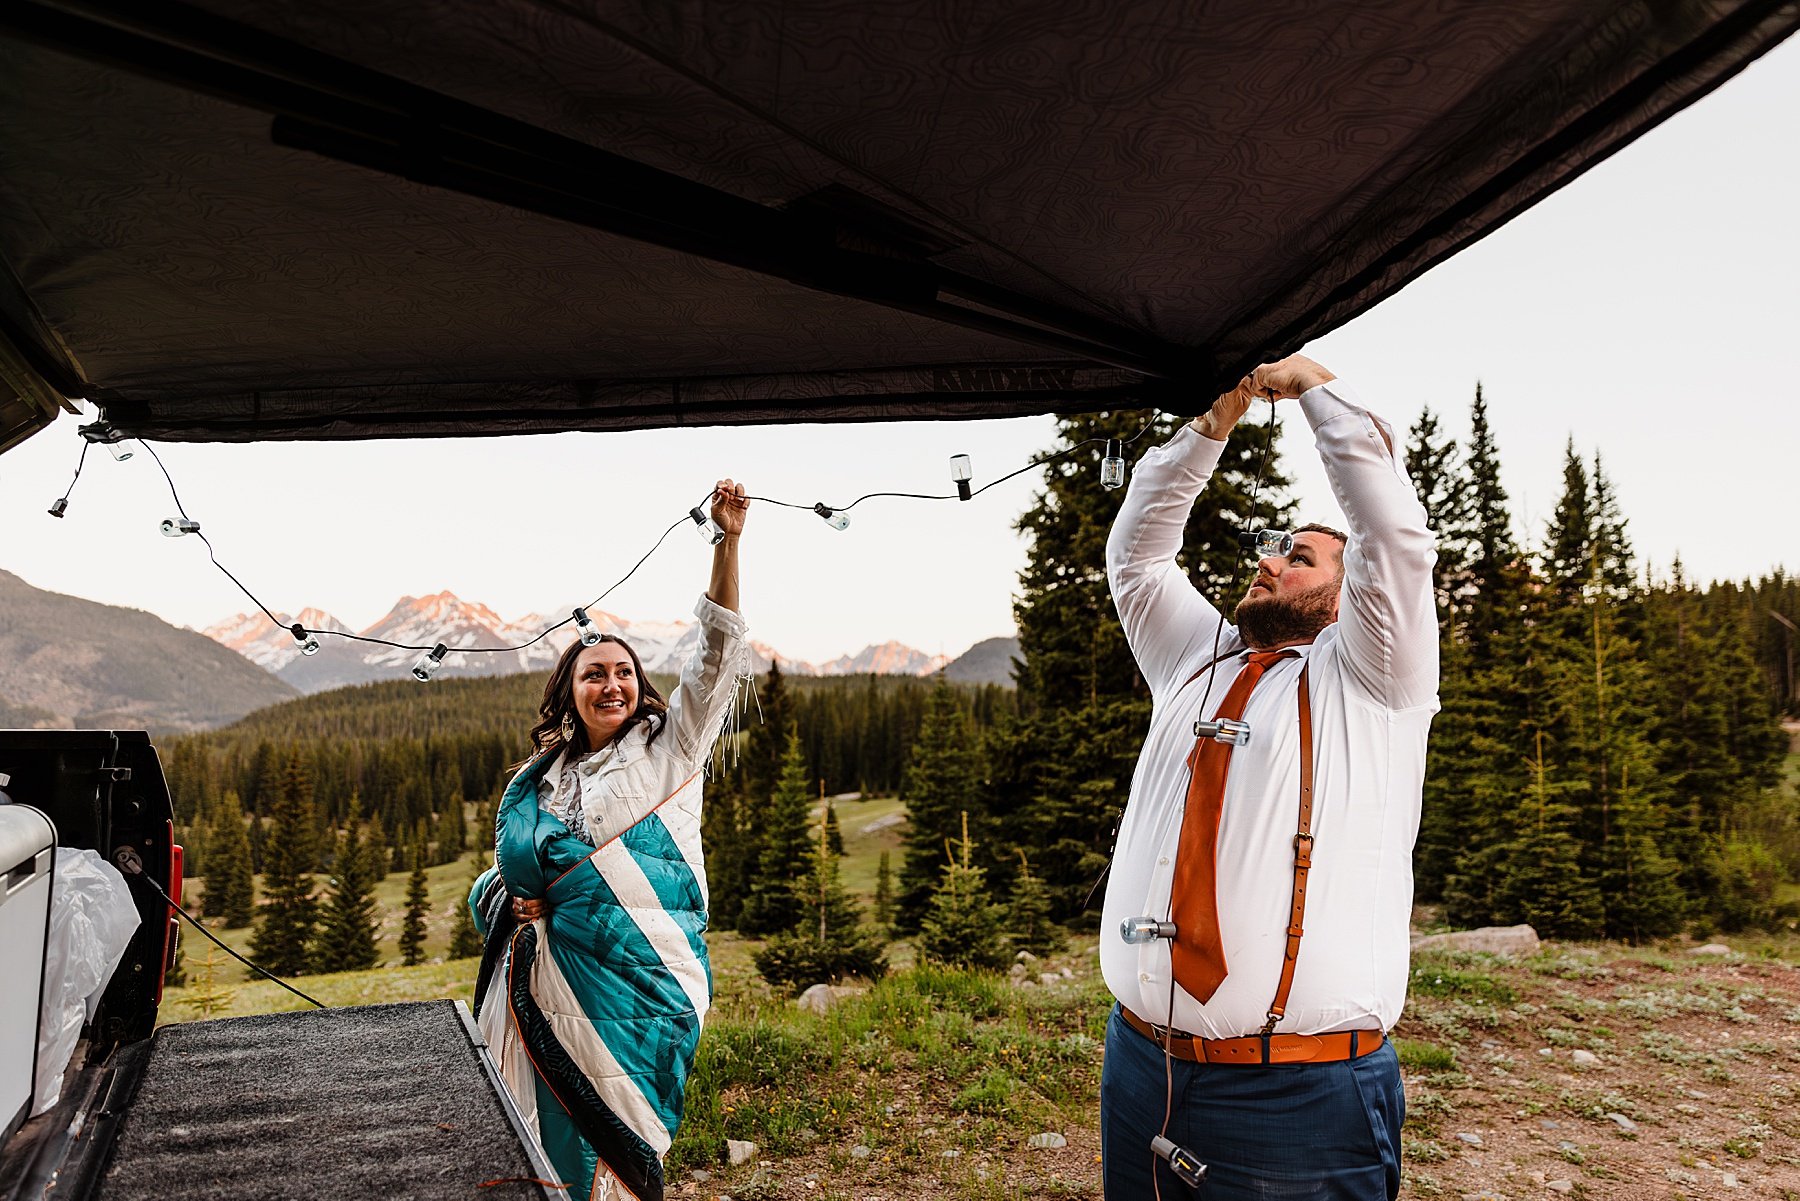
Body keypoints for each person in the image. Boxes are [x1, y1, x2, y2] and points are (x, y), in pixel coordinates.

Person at [1099, 355, 1438, 1200]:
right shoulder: (1196, 660)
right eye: (1271, 545)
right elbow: (1137, 560)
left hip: (1296, 1098)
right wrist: (1209, 428)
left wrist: (1313, 389)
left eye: (1302, 555)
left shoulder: (1373, 678)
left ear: (1346, 592)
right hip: (1139, 1066)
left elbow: (1392, 538)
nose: (1272, 558)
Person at [468, 479, 752, 1201]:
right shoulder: (543, 777)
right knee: (537, 1133)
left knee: (616, 1146)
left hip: (640, 988)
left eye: (624, 671)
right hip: (544, 982)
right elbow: (510, 874)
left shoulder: (670, 748)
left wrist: (727, 541)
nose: (613, 684)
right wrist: (515, 896)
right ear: (570, 691)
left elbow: (715, 656)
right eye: (595, 674)